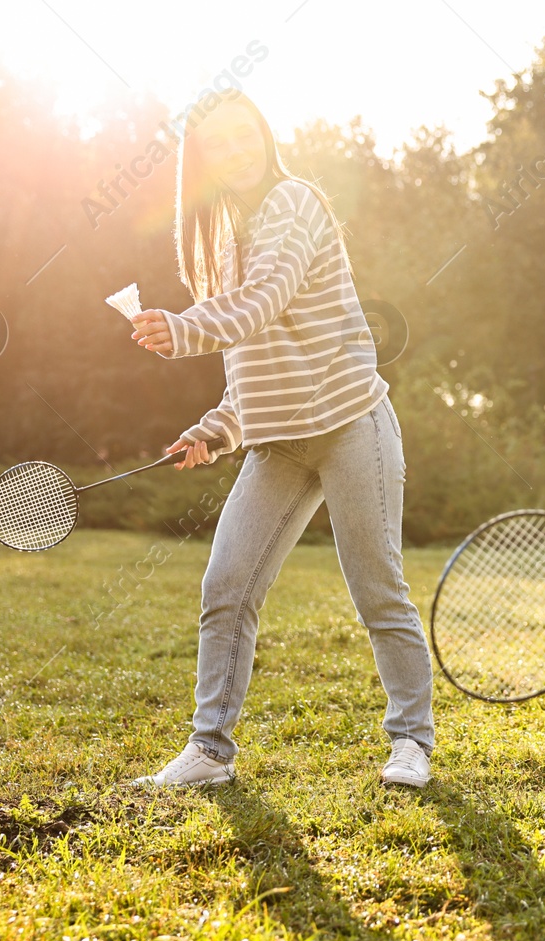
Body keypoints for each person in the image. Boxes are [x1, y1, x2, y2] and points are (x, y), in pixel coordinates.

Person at [127, 89, 434, 790]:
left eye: (245, 136)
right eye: (218, 145)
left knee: (378, 588)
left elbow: (263, 302)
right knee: (226, 586)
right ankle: (209, 751)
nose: (236, 152)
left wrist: (180, 330)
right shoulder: (223, 241)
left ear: (264, 135)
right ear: (200, 162)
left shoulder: (294, 203)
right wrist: (215, 427)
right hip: (279, 446)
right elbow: (253, 368)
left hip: (351, 422)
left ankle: (411, 739)